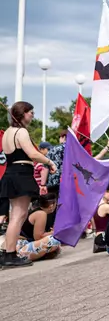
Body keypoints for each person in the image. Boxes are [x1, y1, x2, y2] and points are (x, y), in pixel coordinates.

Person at [0, 102, 57, 268]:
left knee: (17, 215)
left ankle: (8, 253)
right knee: (18, 215)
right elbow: (32, 153)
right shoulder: (21, 131)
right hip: (21, 173)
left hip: (11, 172)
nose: (32, 115)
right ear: (22, 113)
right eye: (30, 112)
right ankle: (10, 254)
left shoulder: (7, 133)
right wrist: (49, 162)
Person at [17, 193, 61, 262]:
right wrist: (54, 232)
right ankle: (21, 256)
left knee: (56, 246)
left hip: (24, 243)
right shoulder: (41, 214)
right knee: (53, 240)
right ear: (51, 205)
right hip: (21, 244)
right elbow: (38, 237)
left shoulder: (39, 211)